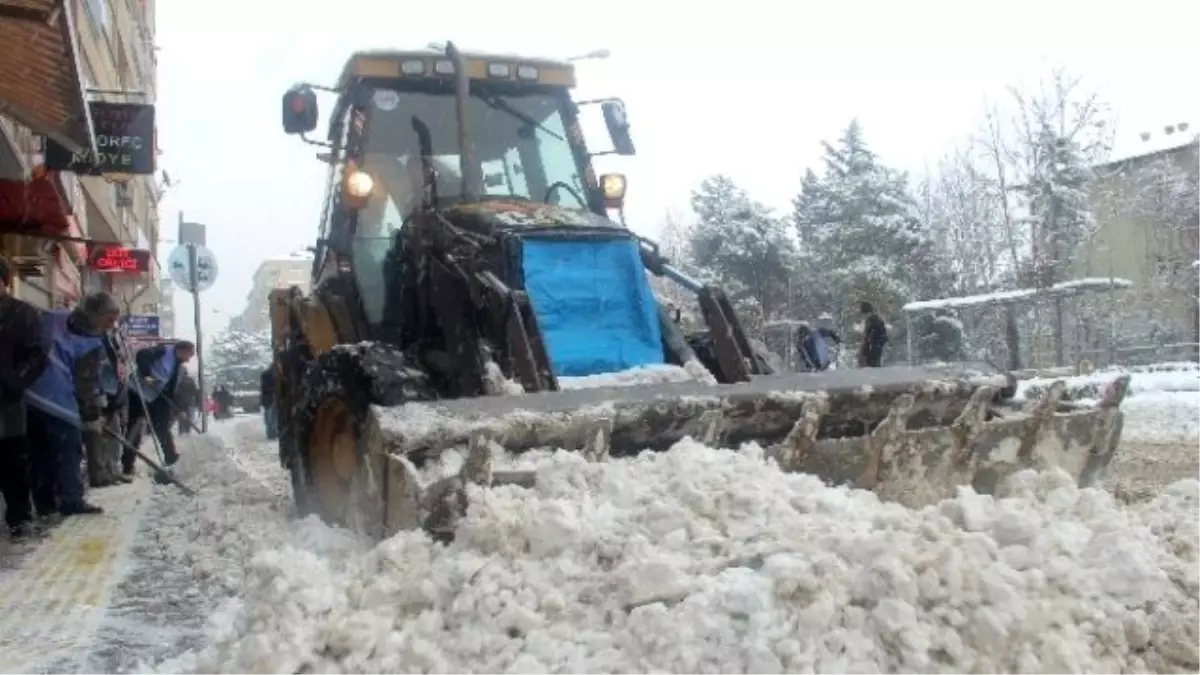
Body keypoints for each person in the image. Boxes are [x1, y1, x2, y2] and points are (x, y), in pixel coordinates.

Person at [25, 292, 121, 517]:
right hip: (59, 404)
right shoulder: (92, 344)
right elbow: (85, 385)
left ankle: (45, 503)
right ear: (94, 314)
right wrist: (92, 416)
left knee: (39, 454)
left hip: (30, 394)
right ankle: (71, 501)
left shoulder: (52, 317)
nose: (111, 325)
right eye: (108, 319)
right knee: (68, 452)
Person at [0, 256, 50, 538]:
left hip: (7, 401)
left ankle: (19, 516)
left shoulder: (22, 314)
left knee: (12, 461)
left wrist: (16, 381)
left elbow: (38, 354)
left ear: (5, 282)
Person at [125, 340, 195, 472]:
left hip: (157, 396)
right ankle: (127, 465)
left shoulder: (178, 367)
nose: (189, 359)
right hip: (138, 392)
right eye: (189, 355)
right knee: (134, 428)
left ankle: (171, 459)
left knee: (162, 428)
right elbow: (142, 355)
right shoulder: (162, 351)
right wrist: (146, 374)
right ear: (183, 351)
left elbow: (171, 389)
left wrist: (178, 409)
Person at [858, 301, 889, 368]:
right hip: (877, 345)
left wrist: (865, 347)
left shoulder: (872, 319)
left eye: (863, 313)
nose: (863, 315)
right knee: (875, 364)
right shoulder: (876, 318)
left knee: (872, 365)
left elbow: (868, 335)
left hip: (874, 346)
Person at [174, 371, 199, 435]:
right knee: (189, 415)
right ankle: (187, 429)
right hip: (189, 400)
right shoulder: (191, 380)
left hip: (181, 401)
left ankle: (181, 430)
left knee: (181, 415)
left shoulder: (179, 380)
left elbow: (176, 391)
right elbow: (195, 391)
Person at [260, 366, 278, 440]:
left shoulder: (265, 374)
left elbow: (263, 388)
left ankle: (271, 432)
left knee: (270, 418)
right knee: (272, 417)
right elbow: (264, 388)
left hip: (269, 400)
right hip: (270, 400)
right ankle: (272, 432)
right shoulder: (271, 375)